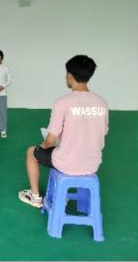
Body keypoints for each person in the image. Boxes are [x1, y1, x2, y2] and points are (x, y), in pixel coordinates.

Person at [18, 55, 109, 208]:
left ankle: (35, 197)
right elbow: (103, 132)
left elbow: (50, 140)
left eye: (66, 74)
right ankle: (61, 195)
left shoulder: (62, 102)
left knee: (31, 152)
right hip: (92, 164)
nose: (65, 77)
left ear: (70, 76)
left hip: (67, 163)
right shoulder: (102, 103)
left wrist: (43, 146)